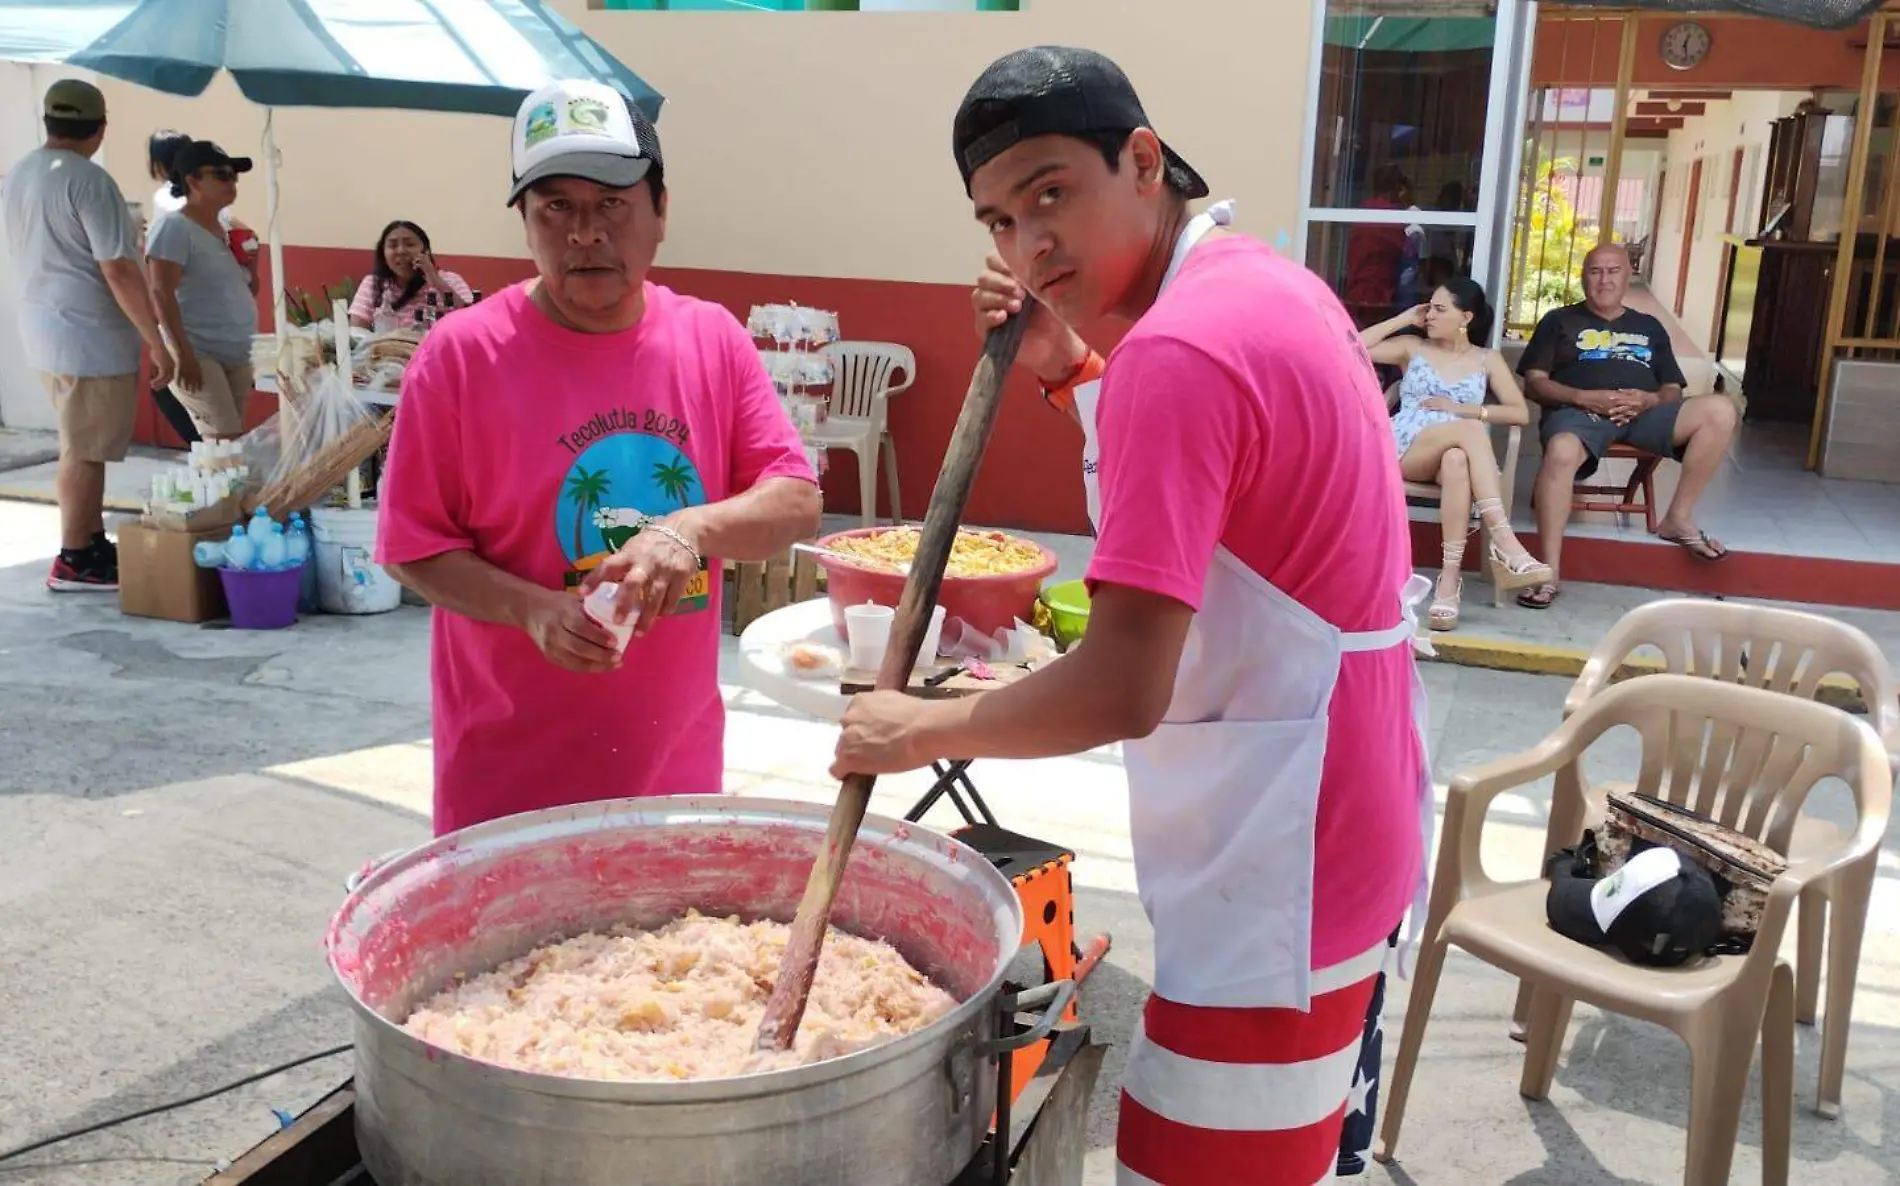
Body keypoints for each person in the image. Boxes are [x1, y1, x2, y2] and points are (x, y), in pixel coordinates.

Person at [832, 47, 1431, 1185]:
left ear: (1143, 160)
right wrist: (1069, 371)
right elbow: (1228, 489)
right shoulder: (1260, 282)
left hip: (1283, 863)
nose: (1026, 246)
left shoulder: (1180, 348)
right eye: (998, 220)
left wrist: (912, 729)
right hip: (1348, 816)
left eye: (1051, 192)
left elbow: (1117, 686)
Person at [375, 80, 821, 836]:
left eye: (612, 202)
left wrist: (691, 530)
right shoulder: (460, 356)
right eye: (557, 207)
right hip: (505, 789)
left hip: (673, 781)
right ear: (524, 222)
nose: (585, 233)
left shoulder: (711, 340)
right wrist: (534, 611)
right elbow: (412, 548)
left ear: (661, 212)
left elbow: (795, 499)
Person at [1, 79, 177, 592]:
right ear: (100, 129)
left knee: (81, 444)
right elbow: (119, 269)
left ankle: (90, 539)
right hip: (87, 335)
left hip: (46, 327)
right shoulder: (90, 181)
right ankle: (75, 556)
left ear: (48, 123)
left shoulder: (22, 172)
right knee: (84, 449)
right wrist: (156, 338)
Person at [1515, 243, 1739, 608]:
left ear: (1628, 275)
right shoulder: (1559, 320)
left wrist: (1648, 401)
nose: (1604, 279)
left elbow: (1670, 389)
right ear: (1583, 277)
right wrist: (1583, 397)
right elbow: (1535, 382)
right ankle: (1548, 570)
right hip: (1580, 412)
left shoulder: (1648, 326)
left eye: (1613, 271)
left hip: (1643, 413)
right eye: (1595, 271)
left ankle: (1678, 518)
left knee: (1720, 410)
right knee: (1560, 451)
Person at [1360, 279, 1550, 629]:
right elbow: (1351, 347)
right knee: (1470, 432)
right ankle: (1504, 542)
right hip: (1408, 447)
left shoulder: (1486, 359)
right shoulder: (1411, 347)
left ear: (1465, 317)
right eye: (1428, 307)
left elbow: (1519, 412)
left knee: (1457, 461)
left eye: (1439, 309)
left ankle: (1449, 582)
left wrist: (1466, 409)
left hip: (1456, 451)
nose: (1429, 315)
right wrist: (1404, 318)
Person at [146, 142, 260, 442]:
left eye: (234, 175)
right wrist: (184, 355)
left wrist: (253, 265)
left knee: (227, 443)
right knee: (223, 442)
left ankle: (222, 490)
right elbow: (160, 291)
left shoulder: (224, 230)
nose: (232, 182)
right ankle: (224, 490)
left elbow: (246, 290)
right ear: (193, 180)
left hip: (235, 350)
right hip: (198, 349)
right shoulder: (173, 227)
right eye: (221, 175)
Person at [348, 220, 472, 331]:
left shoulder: (451, 280)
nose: (401, 251)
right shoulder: (373, 284)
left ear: (426, 251)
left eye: (410, 244)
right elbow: (357, 332)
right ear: (383, 255)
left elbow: (473, 320)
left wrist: (435, 281)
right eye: (393, 245)